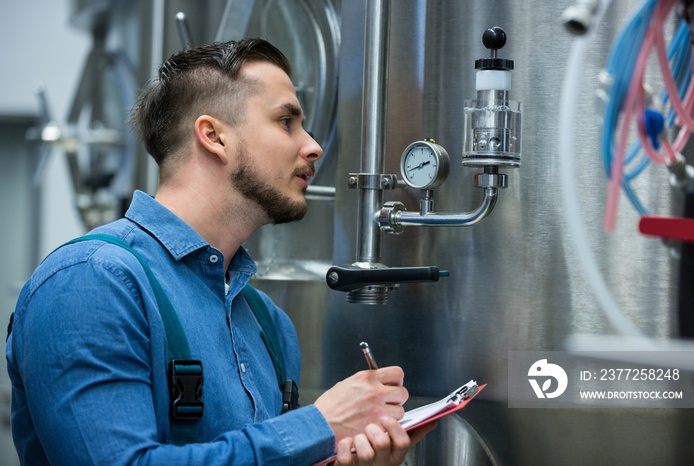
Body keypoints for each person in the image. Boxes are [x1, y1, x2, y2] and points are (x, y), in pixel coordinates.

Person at [5, 39, 435, 465]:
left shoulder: (269, 323)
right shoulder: (91, 281)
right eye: (286, 121)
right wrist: (321, 424)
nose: (313, 146)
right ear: (214, 137)